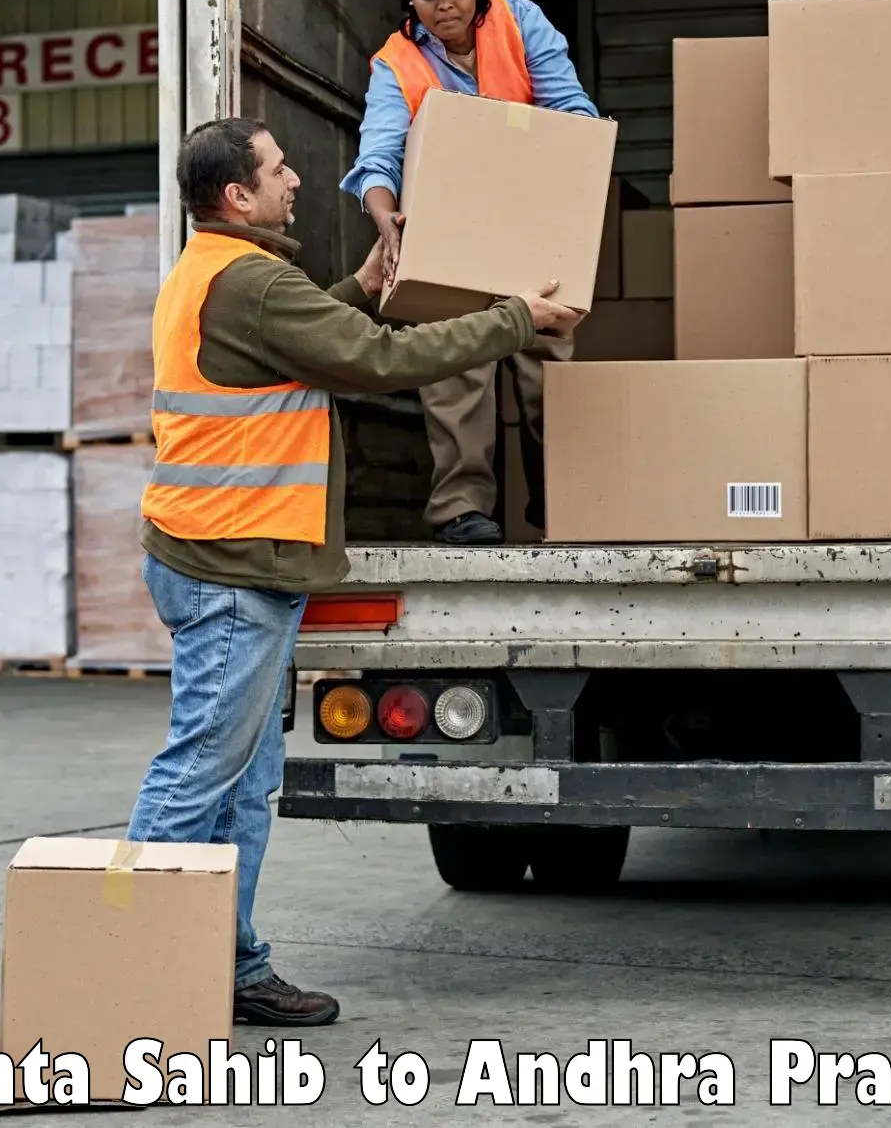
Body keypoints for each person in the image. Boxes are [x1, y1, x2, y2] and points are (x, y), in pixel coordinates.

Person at [130, 117, 582, 1027]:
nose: (296, 179)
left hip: (219, 556)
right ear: (237, 196)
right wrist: (513, 322)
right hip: (232, 566)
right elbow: (376, 362)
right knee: (197, 778)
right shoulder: (251, 281)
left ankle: (231, 964)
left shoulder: (213, 270)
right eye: (279, 168)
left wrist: (365, 288)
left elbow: (304, 343)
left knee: (243, 782)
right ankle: (129, 978)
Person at [339, 0, 601, 545]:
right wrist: (385, 214)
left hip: (531, 218)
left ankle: (562, 500)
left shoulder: (518, 19)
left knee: (546, 366)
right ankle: (461, 510)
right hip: (448, 232)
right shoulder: (394, 63)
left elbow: (572, 109)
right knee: (454, 366)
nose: (446, 6)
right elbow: (378, 154)